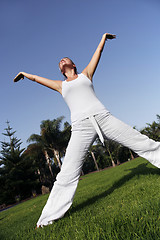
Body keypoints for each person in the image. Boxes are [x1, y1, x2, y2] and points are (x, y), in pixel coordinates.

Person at [14, 33, 160, 228]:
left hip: (103, 118)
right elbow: (38, 79)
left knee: (141, 141)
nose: (62, 60)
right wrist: (25, 74)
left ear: (73, 65)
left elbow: (97, 53)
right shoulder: (60, 86)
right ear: (61, 69)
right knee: (67, 173)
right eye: (60, 61)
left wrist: (103, 38)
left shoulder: (85, 74)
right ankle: (47, 218)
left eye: (65, 59)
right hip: (81, 127)